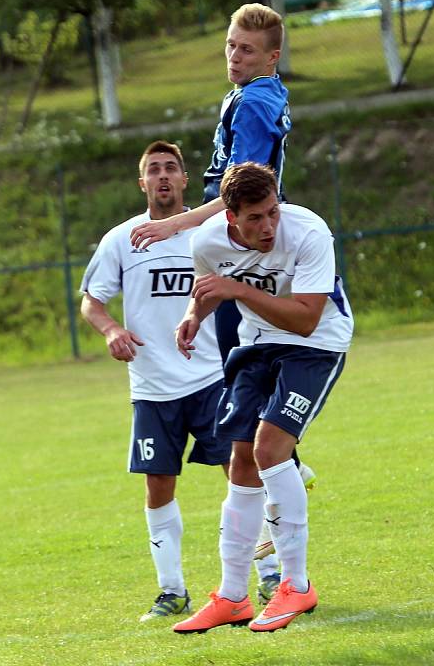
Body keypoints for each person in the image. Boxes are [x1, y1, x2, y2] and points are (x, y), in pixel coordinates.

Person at [129, 4, 314, 567]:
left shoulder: (257, 101)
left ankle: (280, 468)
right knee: (243, 360)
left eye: (248, 49)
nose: (235, 56)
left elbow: (243, 193)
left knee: (245, 365)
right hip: (237, 236)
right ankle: (280, 465)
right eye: (231, 45)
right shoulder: (255, 93)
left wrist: (175, 223)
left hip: (238, 238)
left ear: (273, 57)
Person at [79, 141, 281, 620]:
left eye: (171, 168)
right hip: (151, 388)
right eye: (154, 170)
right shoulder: (121, 239)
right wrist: (111, 330)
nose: (163, 176)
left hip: (212, 377)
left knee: (242, 470)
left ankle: (270, 573)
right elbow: (92, 299)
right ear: (142, 182)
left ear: (186, 180)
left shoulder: (209, 232)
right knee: (158, 484)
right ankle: (172, 591)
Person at [172, 162, 354, 634]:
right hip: (257, 344)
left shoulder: (310, 231)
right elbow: (210, 285)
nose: (268, 225)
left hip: (316, 346)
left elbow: (306, 320)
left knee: (272, 448)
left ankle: (296, 584)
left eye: (272, 211)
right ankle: (233, 597)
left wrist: (234, 289)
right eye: (254, 218)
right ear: (230, 217)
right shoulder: (207, 240)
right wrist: (195, 313)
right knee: (242, 460)